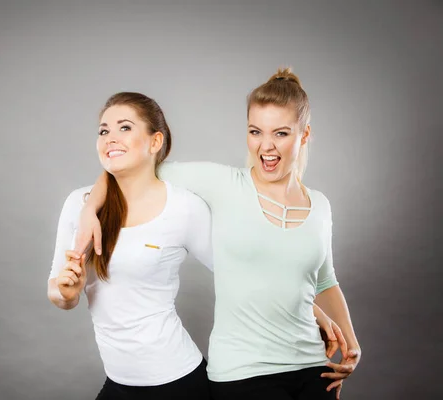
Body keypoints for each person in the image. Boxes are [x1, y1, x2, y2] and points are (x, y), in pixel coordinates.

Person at [75, 69, 361, 400]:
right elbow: (133, 167)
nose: (266, 146)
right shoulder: (222, 184)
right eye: (255, 132)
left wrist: (350, 341)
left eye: (281, 133)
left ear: (304, 134)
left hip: (314, 368)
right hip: (244, 372)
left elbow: (324, 280)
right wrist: (88, 210)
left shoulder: (320, 206)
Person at [47, 92, 214, 400]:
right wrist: (67, 293)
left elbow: (239, 274)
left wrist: (311, 317)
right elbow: (58, 292)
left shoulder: (184, 207)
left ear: (155, 142)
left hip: (180, 383)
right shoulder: (79, 206)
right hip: (119, 384)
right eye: (103, 130)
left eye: (125, 127)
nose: (110, 138)